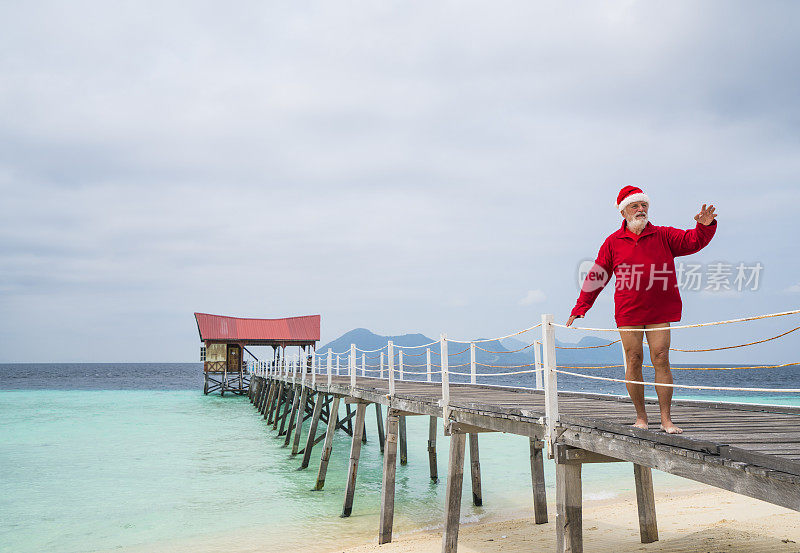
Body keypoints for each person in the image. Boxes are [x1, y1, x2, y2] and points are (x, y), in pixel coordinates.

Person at [566, 186, 717, 434]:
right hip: (629, 311)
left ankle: (666, 419)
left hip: (660, 310)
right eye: (635, 206)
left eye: (644, 205)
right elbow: (598, 275)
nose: (641, 210)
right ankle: (641, 417)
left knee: (661, 358)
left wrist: (705, 226)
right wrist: (581, 306)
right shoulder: (613, 242)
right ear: (623, 211)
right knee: (634, 359)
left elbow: (693, 241)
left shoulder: (664, 235)